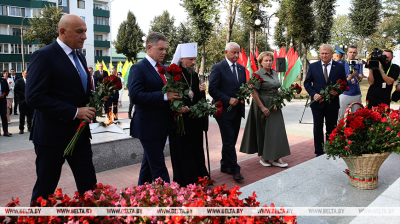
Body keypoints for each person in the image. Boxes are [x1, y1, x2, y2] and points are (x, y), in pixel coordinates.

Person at [26, 14, 97, 202]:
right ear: (62, 32)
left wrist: (96, 99)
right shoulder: (44, 55)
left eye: (85, 32)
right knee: (45, 189)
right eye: (79, 32)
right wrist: (75, 112)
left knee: (90, 188)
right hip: (51, 137)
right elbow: (34, 97)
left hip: (80, 135)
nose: (84, 37)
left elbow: (77, 92)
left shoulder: (80, 57)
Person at [128, 32, 181, 185]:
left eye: (165, 49)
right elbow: (136, 96)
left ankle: (139, 193)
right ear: (149, 48)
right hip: (147, 127)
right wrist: (165, 96)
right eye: (160, 49)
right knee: (159, 167)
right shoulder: (138, 68)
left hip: (162, 126)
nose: (164, 52)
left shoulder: (164, 69)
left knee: (148, 165)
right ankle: (169, 200)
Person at [240, 51, 290, 167]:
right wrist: (262, 107)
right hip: (262, 104)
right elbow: (254, 92)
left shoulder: (274, 73)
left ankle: (277, 157)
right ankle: (264, 158)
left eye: (270, 60)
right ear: (260, 62)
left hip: (274, 105)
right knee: (263, 131)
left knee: (276, 131)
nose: (269, 63)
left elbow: (276, 88)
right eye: (266, 61)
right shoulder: (257, 74)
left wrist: (280, 98)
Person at [168, 43, 209, 187]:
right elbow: (170, 98)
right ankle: (185, 181)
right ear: (182, 59)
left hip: (194, 121)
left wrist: (201, 91)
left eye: (194, 59)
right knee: (183, 154)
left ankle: (199, 178)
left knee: (196, 150)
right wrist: (179, 109)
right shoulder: (174, 75)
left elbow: (194, 96)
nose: (193, 62)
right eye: (190, 59)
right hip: (181, 122)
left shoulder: (194, 74)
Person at [208, 42, 246, 181]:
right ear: (226, 52)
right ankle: (235, 170)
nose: (236, 55)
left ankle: (225, 165)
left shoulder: (242, 69)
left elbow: (242, 87)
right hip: (222, 110)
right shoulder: (218, 68)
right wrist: (227, 99)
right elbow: (212, 89)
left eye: (238, 52)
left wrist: (248, 89)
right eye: (233, 52)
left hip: (237, 110)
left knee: (231, 140)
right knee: (229, 139)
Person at [304, 44, 346, 157]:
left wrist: (338, 91)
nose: (324, 55)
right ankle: (318, 151)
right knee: (318, 128)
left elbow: (344, 84)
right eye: (322, 53)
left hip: (332, 103)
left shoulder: (339, 67)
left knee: (331, 127)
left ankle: (330, 149)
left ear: (332, 53)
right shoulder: (313, 66)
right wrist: (313, 94)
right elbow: (307, 83)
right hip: (318, 103)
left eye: (326, 53)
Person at [339, 45, 364, 118]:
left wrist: (357, 75)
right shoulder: (341, 63)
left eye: (354, 52)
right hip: (344, 93)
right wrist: (347, 79)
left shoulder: (359, 63)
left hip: (356, 94)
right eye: (350, 52)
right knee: (342, 117)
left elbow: (360, 79)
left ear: (356, 53)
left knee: (357, 117)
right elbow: (338, 80)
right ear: (347, 53)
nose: (352, 54)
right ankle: (341, 129)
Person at [14, 69, 33, 134]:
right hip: (22, 100)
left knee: (29, 115)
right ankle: (21, 128)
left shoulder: (31, 81)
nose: (27, 74)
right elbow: (16, 90)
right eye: (26, 73)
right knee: (22, 115)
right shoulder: (18, 81)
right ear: (22, 74)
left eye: (28, 73)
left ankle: (29, 127)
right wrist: (24, 94)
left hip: (29, 101)